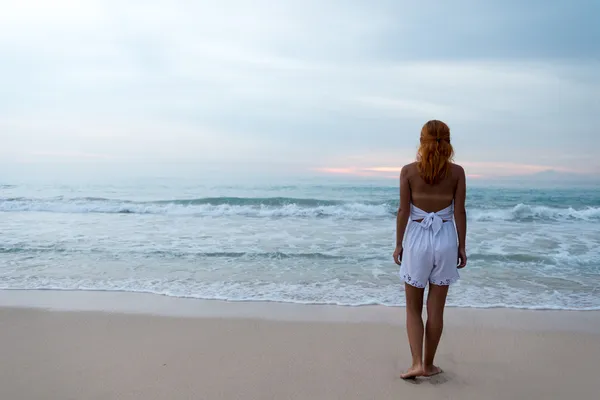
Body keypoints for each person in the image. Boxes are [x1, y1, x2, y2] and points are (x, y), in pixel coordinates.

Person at [393, 119, 467, 380]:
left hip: (417, 238)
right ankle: (430, 364)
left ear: (422, 140)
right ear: (447, 140)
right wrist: (461, 246)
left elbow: (403, 211)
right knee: (436, 309)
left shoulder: (408, 171)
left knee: (413, 307)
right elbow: (459, 211)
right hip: (445, 237)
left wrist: (399, 243)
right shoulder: (457, 172)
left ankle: (416, 363)